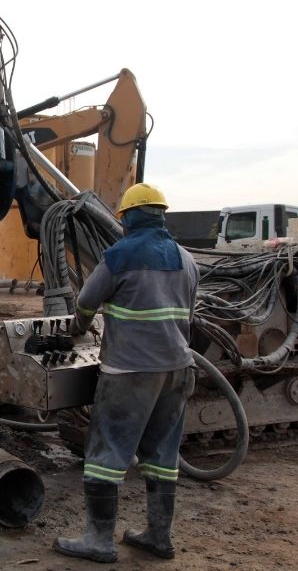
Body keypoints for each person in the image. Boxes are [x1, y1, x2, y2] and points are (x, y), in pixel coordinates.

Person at [53, 183, 200, 564]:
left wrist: (79, 327)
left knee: (106, 453)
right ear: (161, 214)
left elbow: (86, 301)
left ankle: (99, 540)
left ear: (128, 219)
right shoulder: (186, 258)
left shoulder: (119, 255)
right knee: (163, 455)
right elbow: (188, 313)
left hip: (131, 372)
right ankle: (157, 536)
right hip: (179, 370)